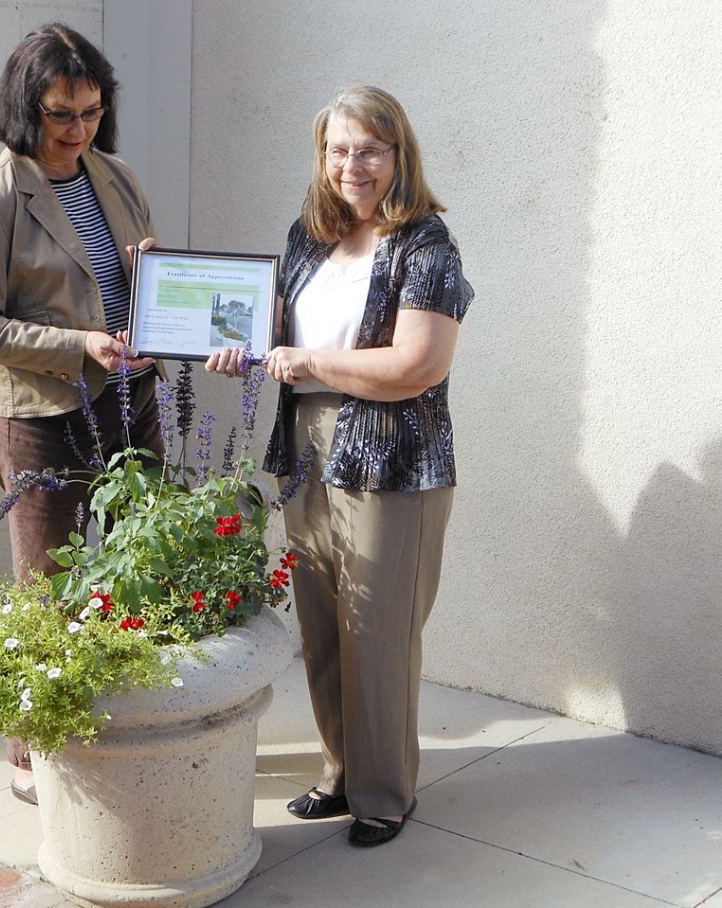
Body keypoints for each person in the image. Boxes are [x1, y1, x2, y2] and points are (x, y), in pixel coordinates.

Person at [207, 85, 473, 847]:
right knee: (323, 621)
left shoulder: (426, 246)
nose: (351, 165)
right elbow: (270, 332)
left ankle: (385, 791)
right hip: (307, 447)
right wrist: (235, 345)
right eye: (337, 149)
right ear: (321, 158)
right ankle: (341, 769)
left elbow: (417, 364)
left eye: (368, 150)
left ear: (398, 156)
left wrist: (308, 360)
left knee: (378, 631)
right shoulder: (307, 237)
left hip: (393, 459)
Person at [0, 23, 163, 806]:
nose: (76, 131)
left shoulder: (117, 175)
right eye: (60, 115)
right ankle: (32, 758)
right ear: (24, 108)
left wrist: (161, 313)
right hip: (44, 413)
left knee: (149, 570)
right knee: (49, 597)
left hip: (132, 401)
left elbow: (142, 282)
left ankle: (138, 724)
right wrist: (80, 345)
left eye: (91, 112)